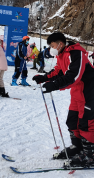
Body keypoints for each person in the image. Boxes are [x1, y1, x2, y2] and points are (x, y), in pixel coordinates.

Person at [32, 32, 94, 168]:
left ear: (60, 44)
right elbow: (59, 71)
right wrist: (44, 78)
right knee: (72, 121)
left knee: (86, 123)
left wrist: (54, 85)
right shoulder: (62, 54)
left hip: (89, 91)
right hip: (77, 92)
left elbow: (74, 75)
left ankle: (90, 155)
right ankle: (78, 147)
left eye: (53, 45)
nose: (51, 48)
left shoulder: (76, 53)